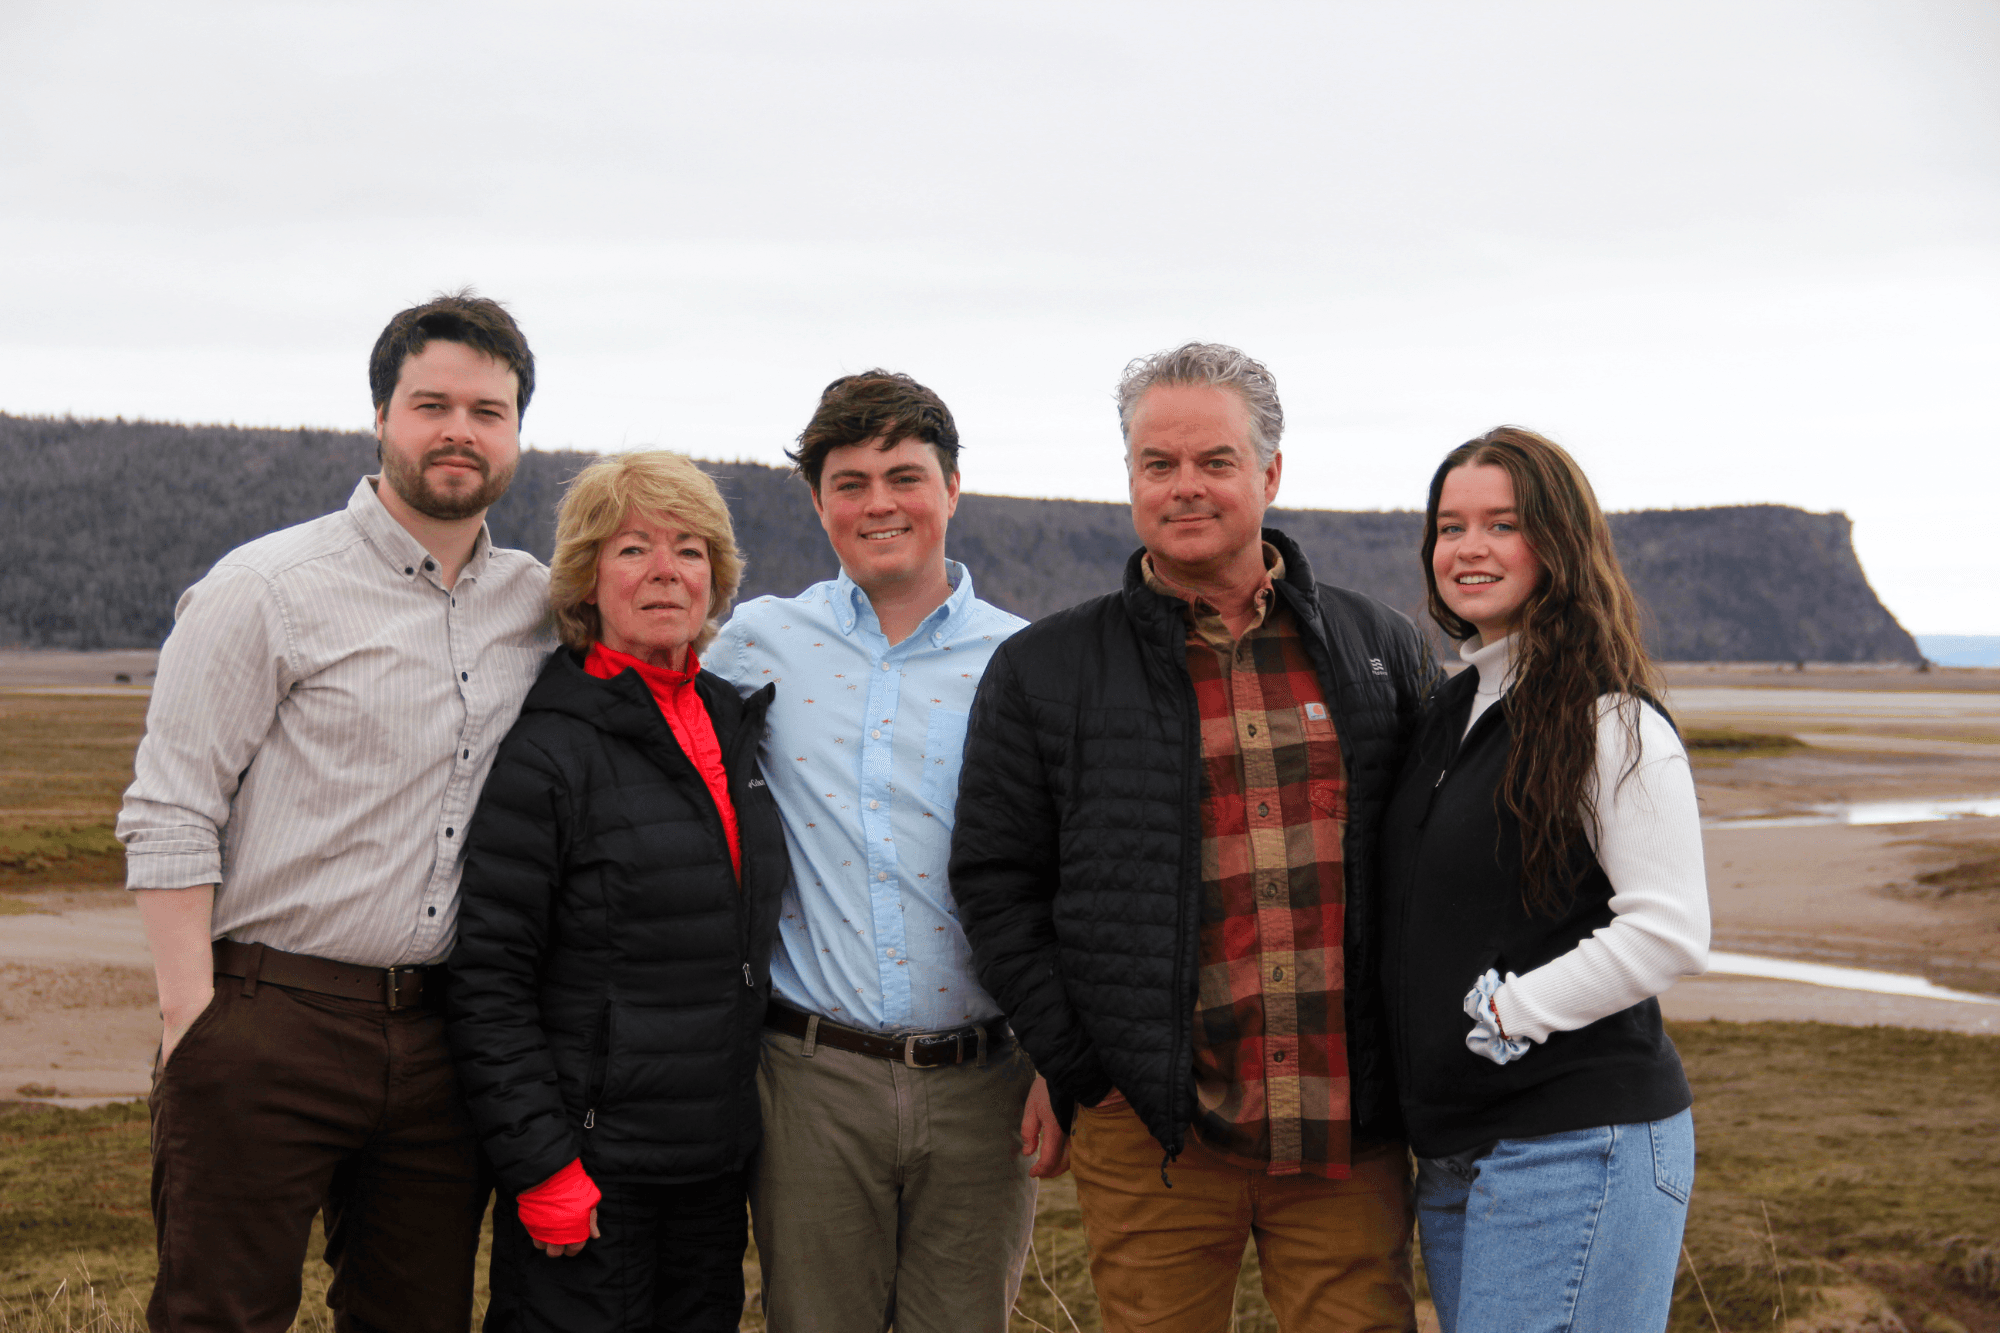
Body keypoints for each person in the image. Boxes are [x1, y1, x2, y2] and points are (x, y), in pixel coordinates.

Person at [950, 342, 1435, 1333]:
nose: (1183, 487)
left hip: (1346, 1131)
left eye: (1213, 461)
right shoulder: (1043, 669)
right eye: (1154, 464)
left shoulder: (1376, 649)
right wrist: (1087, 1070)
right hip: (1153, 1138)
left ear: (1269, 473)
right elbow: (996, 883)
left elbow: (1431, 868)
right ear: (1127, 477)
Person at [117, 291, 550, 1332]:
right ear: (381, 418)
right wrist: (195, 1020)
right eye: (430, 403)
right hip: (269, 1015)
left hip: (444, 1036)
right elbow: (170, 807)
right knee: (218, 1312)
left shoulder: (539, 603)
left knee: (416, 1316)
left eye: (487, 411)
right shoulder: (267, 587)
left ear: (517, 433)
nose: (459, 431)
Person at [705, 370, 1065, 1333]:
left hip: (986, 1084)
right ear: (818, 502)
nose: (878, 504)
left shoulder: (1025, 661)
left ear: (952, 487)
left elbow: (1067, 871)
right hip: (812, 1079)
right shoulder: (754, 644)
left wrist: (1060, 1065)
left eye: (903, 475)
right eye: (849, 481)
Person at [445, 450, 788, 1332]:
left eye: (690, 549)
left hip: (710, 1174)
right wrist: (544, 1168)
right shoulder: (549, 749)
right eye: (634, 548)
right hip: (591, 1177)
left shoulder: (730, 722)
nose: (666, 571)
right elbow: (489, 980)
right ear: (587, 580)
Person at [1378, 427, 1709, 1333]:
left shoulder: (1607, 717)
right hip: (1456, 1150)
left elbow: (1671, 925)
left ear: (1558, 542)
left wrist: (1512, 1012)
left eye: (1503, 523)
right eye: (1450, 526)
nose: (1468, 548)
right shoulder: (1455, 707)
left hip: (1574, 1141)